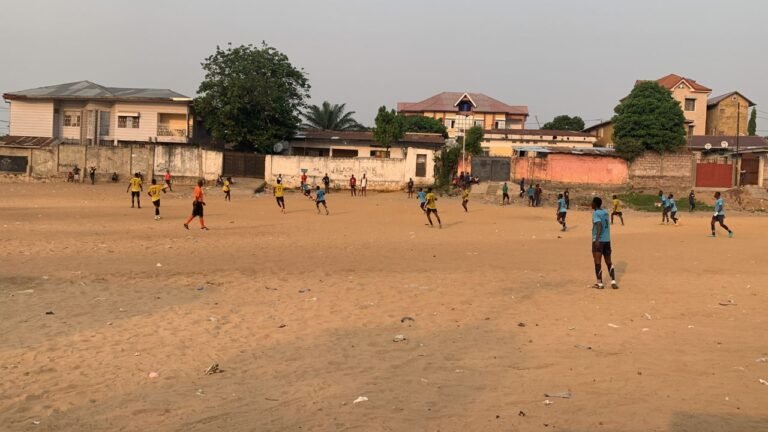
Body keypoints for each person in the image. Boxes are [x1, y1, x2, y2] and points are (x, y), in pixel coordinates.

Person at [591, 197, 618, 289]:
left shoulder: (596, 213)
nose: (591, 204)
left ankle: (600, 283)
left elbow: (599, 225)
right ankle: (613, 281)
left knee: (597, 262)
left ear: (595, 204)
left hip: (599, 240)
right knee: (609, 262)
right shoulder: (605, 213)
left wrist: (597, 239)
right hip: (607, 240)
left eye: (592, 203)